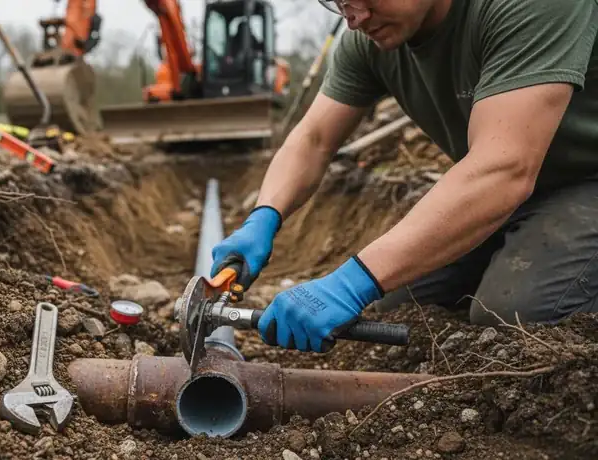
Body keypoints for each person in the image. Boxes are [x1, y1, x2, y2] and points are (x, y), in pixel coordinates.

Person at [209, 0, 598, 353]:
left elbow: (504, 168)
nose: (354, 16)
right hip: (517, 193)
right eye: (339, 2)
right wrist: (264, 217)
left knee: (513, 314)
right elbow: (312, 140)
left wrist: (350, 283)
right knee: (403, 306)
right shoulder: (371, 39)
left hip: (582, 182)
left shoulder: (529, 5)